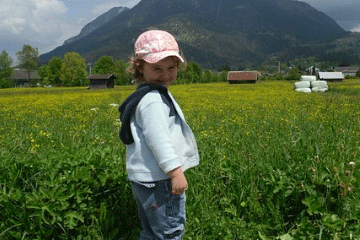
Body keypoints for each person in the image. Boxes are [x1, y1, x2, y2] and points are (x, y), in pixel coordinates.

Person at [118, 30, 200, 240]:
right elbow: (159, 141)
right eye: (157, 68)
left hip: (145, 180)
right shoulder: (153, 100)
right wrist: (175, 173)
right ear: (140, 67)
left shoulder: (143, 94)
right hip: (161, 180)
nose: (165, 75)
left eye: (171, 68)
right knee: (169, 232)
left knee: (151, 231)